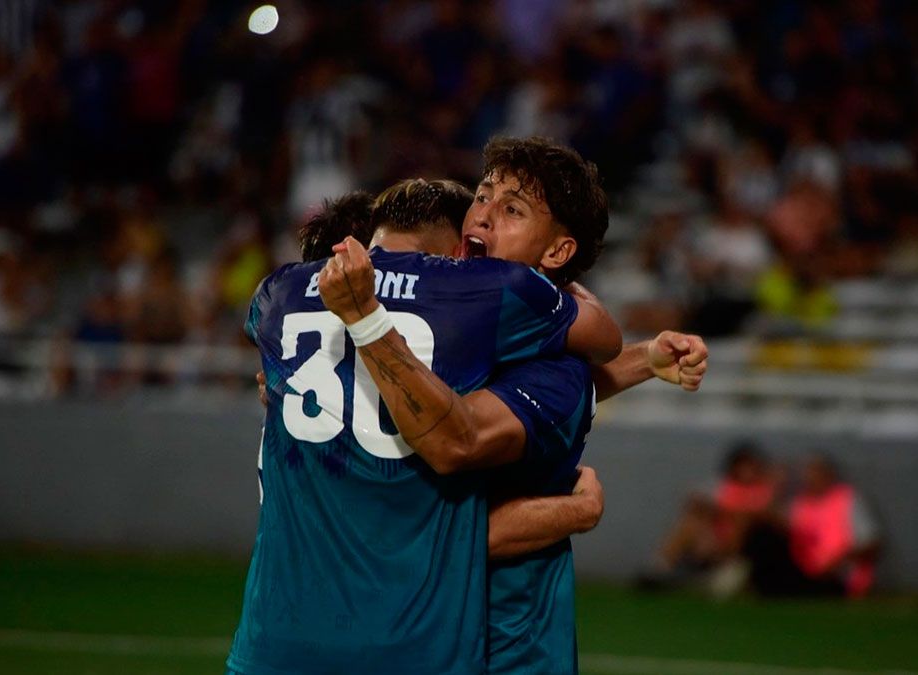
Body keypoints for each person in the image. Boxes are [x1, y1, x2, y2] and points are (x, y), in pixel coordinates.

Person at [316, 137, 708, 674]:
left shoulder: (557, 373)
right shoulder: (443, 339)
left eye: (513, 210)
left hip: (502, 650)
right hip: (407, 636)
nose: (482, 215)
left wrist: (576, 511)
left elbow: (440, 518)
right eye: (482, 196)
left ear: (557, 253)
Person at [227, 177, 623, 674]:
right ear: (458, 249)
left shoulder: (279, 291)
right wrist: (575, 511)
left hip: (271, 643)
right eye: (481, 203)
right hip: (414, 641)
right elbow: (601, 341)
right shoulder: (482, 293)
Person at [638, 441, 780, 594]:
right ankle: (659, 568)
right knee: (690, 523)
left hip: (741, 546)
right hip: (714, 537)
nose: (746, 472)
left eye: (750, 467)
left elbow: (764, 516)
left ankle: (723, 571)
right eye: (742, 466)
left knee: (741, 522)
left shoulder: (765, 491)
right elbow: (695, 500)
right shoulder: (723, 486)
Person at [745, 455, 880, 598]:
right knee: (762, 536)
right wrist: (775, 487)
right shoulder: (800, 504)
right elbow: (769, 519)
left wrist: (838, 561)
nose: (810, 478)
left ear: (829, 475)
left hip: (838, 576)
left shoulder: (848, 499)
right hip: (805, 570)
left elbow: (872, 543)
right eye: (807, 473)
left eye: (816, 472)